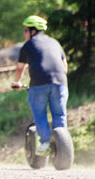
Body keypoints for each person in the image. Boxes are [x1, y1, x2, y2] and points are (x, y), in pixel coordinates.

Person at [12, 15, 68, 153]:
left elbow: (20, 68)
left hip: (39, 83)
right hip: (60, 82)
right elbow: (64, 65)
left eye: (25, 30)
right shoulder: (55, 42)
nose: (24, 34)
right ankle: (62, 146)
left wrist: (17, 82)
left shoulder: (28, 45)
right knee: (59, 114)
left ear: (32, 31)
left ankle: (45, 144)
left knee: (40, 113)